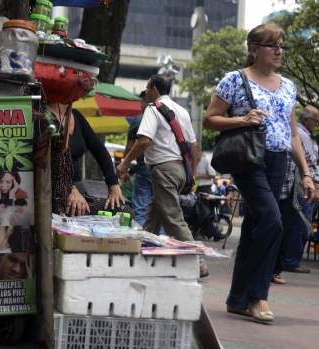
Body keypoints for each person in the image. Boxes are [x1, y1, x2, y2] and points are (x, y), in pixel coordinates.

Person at [203, 23, 314, 322]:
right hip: (250, 160)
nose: (279, 51)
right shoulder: (235, 80)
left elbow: (292, 135)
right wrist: (242, 120)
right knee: (273, 221)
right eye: (272, 45)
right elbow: (209, 119)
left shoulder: (288, 85)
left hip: (280, 162)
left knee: (254, 228)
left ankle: (237, 299)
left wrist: (306, 172)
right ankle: (257, 296)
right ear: (253, 49)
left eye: (282, 46)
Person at [116, 74, 208, 278]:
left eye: (147, 88)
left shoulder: (153, 109)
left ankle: (198, 261)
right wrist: (190, 175)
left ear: (154, 90)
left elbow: (143, 141)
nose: (146, 93)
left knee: (173, 218)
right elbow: (193, 147)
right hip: (181, 171)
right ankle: (142, 251)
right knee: (153, 214)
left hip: (164, 170)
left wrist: (124, 163)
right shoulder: (182, 111)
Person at [34, 101, 129, 216]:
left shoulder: (75, 115)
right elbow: (43, 161)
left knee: (124, 210)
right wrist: (70, 188)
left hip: (77, 189)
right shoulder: (42, 116)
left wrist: (113, 183)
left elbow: (99, 150)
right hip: (54, 189)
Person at [277, 106, 319, 280]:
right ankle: (291, 260)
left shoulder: (299, 134)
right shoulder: (301, 135)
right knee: (300, 223)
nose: (316, 125)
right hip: (300, 185)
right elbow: (308, 162)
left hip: (294, 184)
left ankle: (287, 261)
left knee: (293, 223)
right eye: (316, 121)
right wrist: (315, 183)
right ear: (307, 120)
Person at [124, 90, 165, 234]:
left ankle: (142, 244)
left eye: (141, 102)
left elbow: (129, 147)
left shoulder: (138, 120)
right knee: (162, 212)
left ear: (147, 102)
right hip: (164, 172)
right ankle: (161, 245)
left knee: (142, 211)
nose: (140, 106)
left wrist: (125, 167)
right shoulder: (169, 117)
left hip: (143, 171)